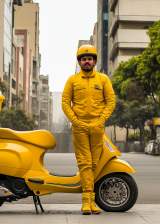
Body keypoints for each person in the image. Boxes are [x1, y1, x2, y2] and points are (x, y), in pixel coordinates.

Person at [62, 45, 115, 215]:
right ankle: (87, 201)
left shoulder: (103, 79)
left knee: (94, 163)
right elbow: (65, 103)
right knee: (85, 163)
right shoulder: (72, 80)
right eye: (84, 59)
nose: (87, 61)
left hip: (98, 126)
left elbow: (111, 102)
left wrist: (101, 120)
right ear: (79, 62)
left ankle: (92, 201)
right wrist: (75, 121)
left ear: (94, 61)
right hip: (80, 126)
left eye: (90, 59)